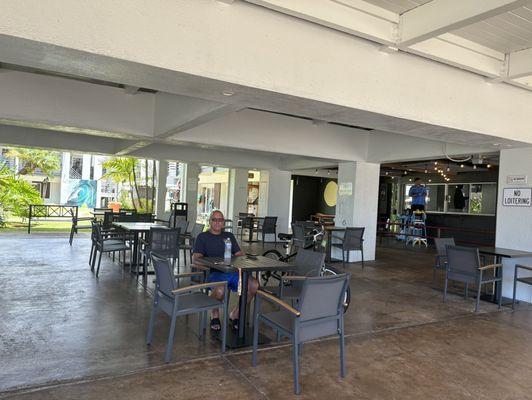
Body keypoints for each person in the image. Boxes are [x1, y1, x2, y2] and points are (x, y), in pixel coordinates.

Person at [192, 210, 259, 331]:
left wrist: (245, 257)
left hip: (231, 272)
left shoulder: (229, 236)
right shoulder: (203, 237)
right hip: (213, 273)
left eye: (220, 220)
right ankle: (215, 314)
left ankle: (235, 314)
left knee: (253, 285)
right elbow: (196, 259)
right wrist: (211, 263)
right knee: (220, 290)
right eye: (214, 219)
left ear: (224, 222)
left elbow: (238, 254)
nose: (217, 222)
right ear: (210, 221)